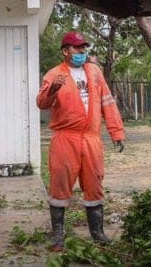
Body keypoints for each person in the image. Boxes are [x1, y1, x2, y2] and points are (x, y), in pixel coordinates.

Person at [37, 31, 125, 250]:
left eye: (84, 47)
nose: (82, 51)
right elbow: (42, 103)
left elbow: (107, 102)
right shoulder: (54, 74)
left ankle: (98, 234)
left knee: (95, 183)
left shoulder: (94, 71)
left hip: (91, 138)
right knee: (60, 184)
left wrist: (116, 132)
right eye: (77, 48)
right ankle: (58, 236)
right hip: (65, 138)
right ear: (65, 51)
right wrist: (53, 89)